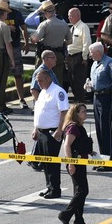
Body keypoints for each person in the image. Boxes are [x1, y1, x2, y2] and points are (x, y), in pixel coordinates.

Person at [31, 69, 69, 199]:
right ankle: (49, 187)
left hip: (52, 132)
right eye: (37, 81)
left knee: (51, 161)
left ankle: (55, 190)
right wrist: (36, 128)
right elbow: (39, 111)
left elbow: (64, 112)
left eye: (40, 81)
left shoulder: (58, 92)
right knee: (45, 162)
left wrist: (60, 130)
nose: (39, 83)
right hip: (41, 132)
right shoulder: (43, 92)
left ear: (48, 79)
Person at [58, 103, 95, 224]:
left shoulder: (79, 127)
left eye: (85, 111)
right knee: (83, 191)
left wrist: (90, 152)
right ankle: (65, 215)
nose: (85, 113)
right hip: (75, 163)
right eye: (83, 111)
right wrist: (71, 163)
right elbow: (67, 145)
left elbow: (79, 144)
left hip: (81, 162)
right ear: (76, 114)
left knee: (79, 192)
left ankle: (79, 221)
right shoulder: (72, 127)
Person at [88, 42, 112, 170]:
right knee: (99, 129)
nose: (90, 55)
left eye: (91, 52)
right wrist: (89, 85)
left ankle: (108, 163)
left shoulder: (109, 63)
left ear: (98, 52)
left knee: (105, 130)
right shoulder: (94, 64)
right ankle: (102, 160)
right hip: (96, 97)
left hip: (107, 98)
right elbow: (95, 81)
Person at [0, 0, 30, 109]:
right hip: (2, 48)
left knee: (18, 74)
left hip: (15, 46)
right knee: (2, 76)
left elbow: (24, 28)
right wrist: (7, 27)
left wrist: (26, 43)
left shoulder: (16, 13)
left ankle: (21, 99)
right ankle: (0, 102)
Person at [30, 0, 69, 86]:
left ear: (45, 13)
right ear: (54, 11)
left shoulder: (45, 24)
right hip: (59, 55)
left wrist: (31, 37)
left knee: (41, 78)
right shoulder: (64, 24)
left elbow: (35, 39)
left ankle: (42, 97)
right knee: (58, 79)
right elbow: (70, 41)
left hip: (46, 55)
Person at [66, 7, 91, 103]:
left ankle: (80, 101)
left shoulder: (83, 27)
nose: (69, 18)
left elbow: (86, 43)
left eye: (71, 16)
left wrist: (84, 57)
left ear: (78, 16)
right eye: (68, 16)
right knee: (72, 80)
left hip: (79, 56)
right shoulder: (72, 28)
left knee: (79, 81)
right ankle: (77, 99)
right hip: (70, 57)